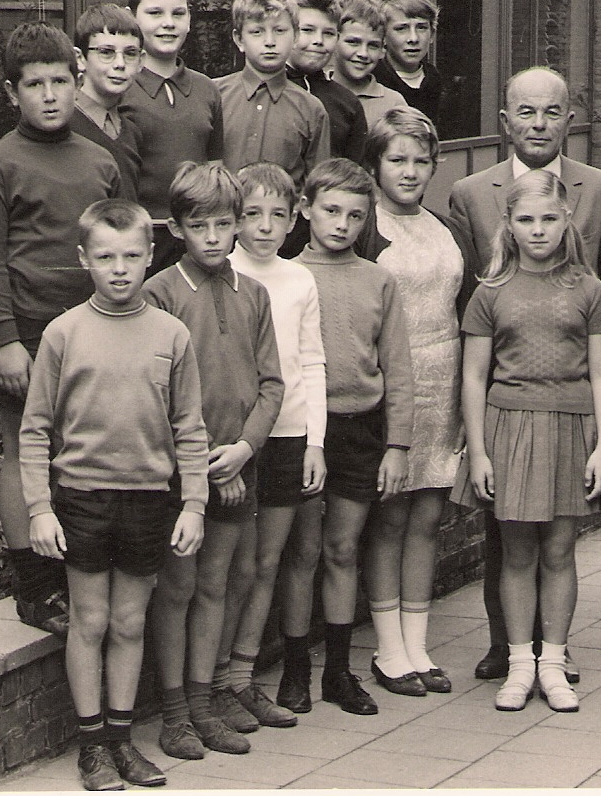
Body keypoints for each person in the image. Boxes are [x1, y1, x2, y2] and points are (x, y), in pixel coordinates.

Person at [445, 65, 601, 684]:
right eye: (525, 112)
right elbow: (471, 294)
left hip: (571, 384)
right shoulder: (472, 193)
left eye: (551, 112)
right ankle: (509, 649)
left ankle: (552, 650)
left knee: (557, 538)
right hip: (506, 386)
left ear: (568, 120)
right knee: (506, 530)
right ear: (505, 122)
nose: (538, 124)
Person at [19, 200, 207, 790]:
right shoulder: (64, 333)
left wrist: (195, 503)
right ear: (84, 260)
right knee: (90, 621)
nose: (119, 269)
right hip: (82, 498)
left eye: (131, 256)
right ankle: (92, 746)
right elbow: (35, 429)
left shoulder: (171, 335)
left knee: (130, 622)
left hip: (148, 498)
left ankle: (123, 741)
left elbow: (190, 427)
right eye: (105, 257)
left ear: (151, 256)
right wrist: (40, 508)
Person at [0, 21, 122, 638]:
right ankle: (33, 586)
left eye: (61, 80)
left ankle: (83, 568)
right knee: (24, 453)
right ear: (13, 93)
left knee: (86, 450)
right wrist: (5, 337)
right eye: (35, 84)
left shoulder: (101, 161)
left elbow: (123, 242)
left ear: (77, 79)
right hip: (28, 332)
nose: (51, 95)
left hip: (97, 329)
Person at [458, 170, 601, 713]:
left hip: (571, 427)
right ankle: (519, 663)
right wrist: (478, 451)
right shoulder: (490, 292)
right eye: (526, 220)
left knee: (560, 550)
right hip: (509, 428)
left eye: (549, 219)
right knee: (517, 552)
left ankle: (553, 664)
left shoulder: (589, 289)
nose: (538, 230)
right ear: (508, 224)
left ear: (566, 219)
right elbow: (475, 377)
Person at [143, 161, 284, 758]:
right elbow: (156, 396)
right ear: (176, 228)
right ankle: (176, 714)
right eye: (197, 224)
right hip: (182, 476)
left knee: (220, 586)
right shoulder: (160, 293)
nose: (211, 237)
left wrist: (246, 449)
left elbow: (272, 384)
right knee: (178, 590)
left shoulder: (253, 293)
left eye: (222, 224)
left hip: (239, 465)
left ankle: (207, 701)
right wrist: (200, 468)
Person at [293, 157, 413, 716]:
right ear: (306, 209)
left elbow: (398, 367)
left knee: (343, 549)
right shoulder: (289, 276)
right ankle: (295, 669)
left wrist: (397, 445)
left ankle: (338, 673)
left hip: (360, 428)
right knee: (301, 551)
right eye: (331, 211)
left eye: (355, 215)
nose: (341, 224)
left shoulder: (379, 280)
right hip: (301, 431)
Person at [356, 108, 465, 696]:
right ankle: (388, 648)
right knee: (390, 517)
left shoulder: (443, 227)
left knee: (428, 515)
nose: (410, 171)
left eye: (421, 160)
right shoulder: (365, 228)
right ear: (374, 165)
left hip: (442, 383)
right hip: (390, 387)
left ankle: (418, 646)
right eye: (397, 159)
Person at [216, 162, 327, 728]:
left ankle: (242, 678)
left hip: (287, 434)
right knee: (230, 564)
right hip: (235, 439)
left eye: (277, 216)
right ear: (233, 220)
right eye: (251, 214)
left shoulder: (299, 279)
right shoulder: (222, 271)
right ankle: (212, 681)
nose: (263, 227)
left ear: (294, 219)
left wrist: (315, 442)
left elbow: (311, 361)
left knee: (265, 562)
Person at [120, 0, 225, 274]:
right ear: (131, 17)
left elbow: (214, 171)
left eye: (178, 13)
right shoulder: (120, 90)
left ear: (189, 19)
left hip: (196, 241)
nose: (168, 23)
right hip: (139, 242)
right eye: (155, 13)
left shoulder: (207, 90)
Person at [215, 0, 331, 196]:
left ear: (295, 36)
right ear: (239, 39)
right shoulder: (214, 96)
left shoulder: (311, 110)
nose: (269, 41)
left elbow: (316, 189)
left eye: (279, 30)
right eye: (257, 32)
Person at [280, 0, 370, 257]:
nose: (318, 40)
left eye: (328, 33)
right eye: (307, 30)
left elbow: (356, 175)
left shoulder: (347, 104)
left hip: (329, 236)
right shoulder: (270, 93)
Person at [70, 3, 145, 203]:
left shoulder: (131, 131)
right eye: (106, 52)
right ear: (80, 58)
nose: (120, 64)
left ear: (141, 61)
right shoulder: (64, 125)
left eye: (130, 53)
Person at [329, 0, 408, 131]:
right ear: (334, 40)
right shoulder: (313, 91)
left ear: (383, 49)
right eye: (353, 42)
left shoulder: (393, 103)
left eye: (373, 45)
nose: (363, 54)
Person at [374, 0, 444, 124]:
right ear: (383, 37)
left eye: (421, 27)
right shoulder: (373, 78)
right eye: (401, 28)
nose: (413, 38)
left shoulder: (435, 79)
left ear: (432, 35)